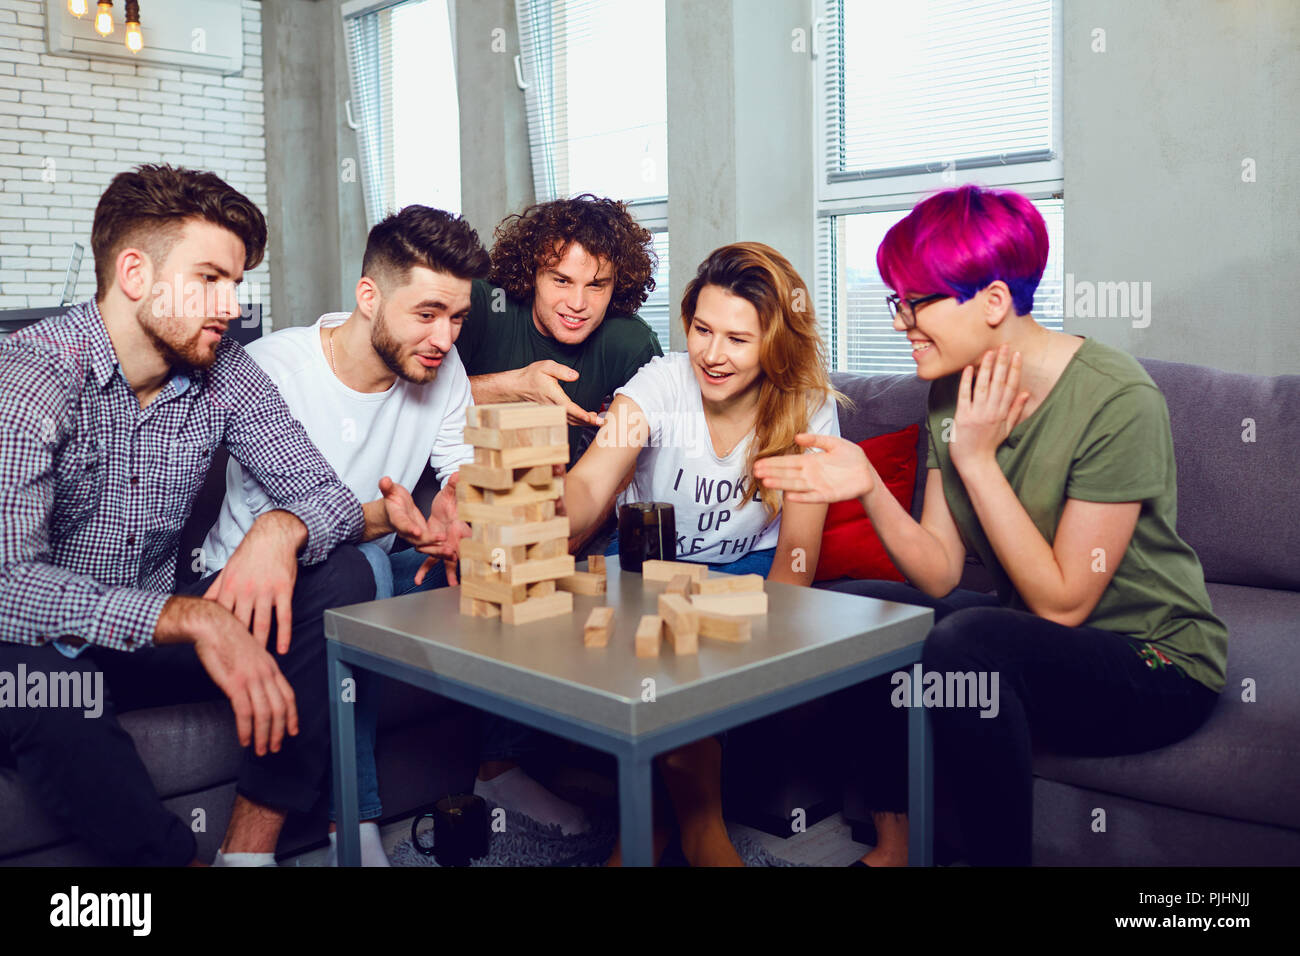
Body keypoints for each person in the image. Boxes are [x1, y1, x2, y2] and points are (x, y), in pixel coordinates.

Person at [753, 184, 1227, 867]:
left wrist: (977, 456)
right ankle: (894, 847)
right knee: (859, 612)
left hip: (1154, 661)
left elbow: (1064, 603)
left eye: (915, 303)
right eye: (897, 301)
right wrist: (868, 486)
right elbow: (941, 567)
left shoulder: (1117, 398)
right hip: (1029, 641)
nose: (899, 322)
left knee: (968, 640)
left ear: (995, 302)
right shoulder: (950, 388)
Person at [0, 163, 373, 867]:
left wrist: (280, 529)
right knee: (45, 679)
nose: (232, 305)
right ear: (136, 273)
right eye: (210, 279)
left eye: (236, 283)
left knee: (341, 578)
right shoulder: (32, 374)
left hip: (139, 646)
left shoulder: (221, 369)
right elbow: (7, 584)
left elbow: (329, 497)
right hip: (37, 646)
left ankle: (248, 854)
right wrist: (196, 617)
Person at [202, 204, 487, 865]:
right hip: (253, 593)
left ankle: (361, 822)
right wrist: (392, 519)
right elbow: (297, 526)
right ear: (369, 296)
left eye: (458, 318)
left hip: (359, 580)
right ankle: (352, 820)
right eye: (426, 314)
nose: (444, 337)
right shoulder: (272, 370)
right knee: (363, 564)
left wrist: (458, 509)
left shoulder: (442, 370)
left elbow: (466, 468)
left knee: (375, 568)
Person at [562, 242, 844, 865]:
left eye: (738, 340)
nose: (712, 355)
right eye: (702, 329)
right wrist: (541, 518)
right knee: (632, 631)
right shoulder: (663, 380)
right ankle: (693, 829)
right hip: (646, 566)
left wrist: (768, 630)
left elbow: (797, 556)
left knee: (686, 648)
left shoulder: (809, 406)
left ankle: (668, 832)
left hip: (747, 572)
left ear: (775, 343)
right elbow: (589, 483)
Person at [453, 194, 663, 833]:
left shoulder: (630, 342)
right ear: (529, 276)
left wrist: (559, 534)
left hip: (584, 520)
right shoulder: (486, 311)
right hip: (463, 509)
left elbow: (617, 468)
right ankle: (499, 771)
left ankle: (605, 766)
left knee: (619, 591)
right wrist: (510, 383)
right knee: (501, 573)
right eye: (560, 280)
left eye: (596, 285)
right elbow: (407, 393)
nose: (578, 301)